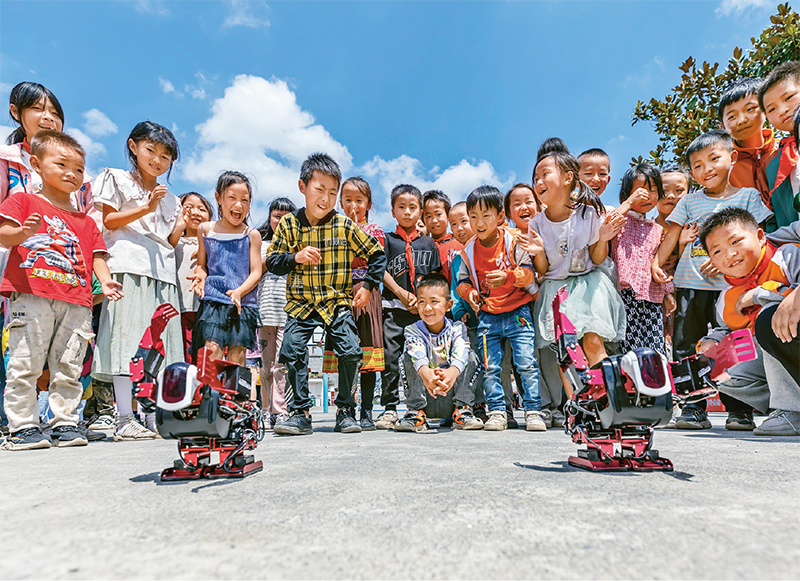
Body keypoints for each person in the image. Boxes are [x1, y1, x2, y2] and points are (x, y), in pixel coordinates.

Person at [0, 130, 123, 450]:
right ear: (36, 164)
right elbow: (4, 234)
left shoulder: (86, 221)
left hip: (77, 301)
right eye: (62, 164)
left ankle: (65, 421)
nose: (72, 173)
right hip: (32, 294)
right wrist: (21, 233)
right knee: (25, 362)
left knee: (69, 364)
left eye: (79, 168)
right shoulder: (23, 201)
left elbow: (97, 255)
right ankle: (23, 426)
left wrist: (105, 280)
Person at [653, 129, 772, 429]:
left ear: (733, 158)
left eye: (714, 159)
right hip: (691, 286)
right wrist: (656, 262)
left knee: (735, 346)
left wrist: (729, 263)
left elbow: (761, 238)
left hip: (734, 288)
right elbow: (673, 234)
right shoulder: (689, 201)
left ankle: (739, 410)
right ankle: (692, 408)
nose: (706, 169)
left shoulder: (748, 196)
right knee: (686, 348)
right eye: (697, 165)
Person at [265, 153, 386, 435]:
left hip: (336, 301)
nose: (326, 198)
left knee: (351, 351)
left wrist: (368, 286)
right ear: (302, 186)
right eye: (320, 189)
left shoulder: (344, 225)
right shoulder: (289, 224)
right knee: (292, 350)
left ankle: (345, 411)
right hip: (301, 302)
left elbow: (377, 254)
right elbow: (272, 261)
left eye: (333, 192)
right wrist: (295, 257)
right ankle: (300, 413)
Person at [92, 121, 183, 441]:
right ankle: (124, 417)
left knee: (160, 348)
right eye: (151, 150)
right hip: (128, 266)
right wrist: (146, 207)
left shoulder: (173, 199)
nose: (158, 160)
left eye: (165, 156)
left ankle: (153, 416)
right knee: (126, 343)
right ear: (133, 146)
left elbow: (169, 241)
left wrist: (181, 227)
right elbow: (108, 220)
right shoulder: (115, 178)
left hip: (163, 273)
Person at [698, 208, 800, 435]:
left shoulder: (787, 256)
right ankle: (780, 403)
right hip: (767, 355)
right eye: (717, 251)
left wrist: (758, 294)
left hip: (793, 340)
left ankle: (792, 409)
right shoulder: (726, 295)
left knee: (770, 317)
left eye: (736, 241)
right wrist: (710, 342)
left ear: (761, 236)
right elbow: (726, 328)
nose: (730, 254)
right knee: (718, 369)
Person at [530, 150, 627, 376]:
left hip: (588, 287)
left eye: (545, 174)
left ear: (568, 178)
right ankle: (576, 397)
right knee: (566, 353)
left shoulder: (588, 214)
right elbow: (542, 269)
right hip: (557, 290)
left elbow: (597, 258)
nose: (539, 182)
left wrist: (603, 238)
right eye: (536, 178)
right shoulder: (537, 224)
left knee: (593, 342)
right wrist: (538, 252)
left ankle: (608, 391)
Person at [456, 185, 543, 431]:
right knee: (490, 367)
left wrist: (508, 277)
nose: (479, 222)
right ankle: (497, 412)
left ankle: (533, 411)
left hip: (518, 313)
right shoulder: (468, 250)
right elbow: (462, 282)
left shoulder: (513, 240)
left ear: (500, 216)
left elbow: (528, 273)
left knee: (526, 363)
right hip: (487, 316)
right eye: (473, 217)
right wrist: (470, 293)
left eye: (486, 216)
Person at [321, 177, 385, 430]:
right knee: (344, 356)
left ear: (368, 203)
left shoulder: (374, 230)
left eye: (359, 200)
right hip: (339, 295)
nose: (353, 205)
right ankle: (345, 409)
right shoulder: (332, 229)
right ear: (340, 202)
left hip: (367, 293)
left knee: (368, 357)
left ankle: (367, 411)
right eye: (348, 200)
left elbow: (374, 259)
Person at [376, 184, 441, 429]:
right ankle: (390, 408)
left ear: (420, 211)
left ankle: (420, 408)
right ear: (393, 211)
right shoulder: (387, 240)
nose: (407, 212)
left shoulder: (428, 243)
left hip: (421, 315)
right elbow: (381, 271)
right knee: (390, 359)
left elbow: (435, 277)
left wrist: (422, 301)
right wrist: (402, 294)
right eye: (401, 207)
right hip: (393, 310)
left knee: (421, 359)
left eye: (413, 207)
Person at [190, 171, 262, 369]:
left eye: (245, 200)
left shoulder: (251, 234)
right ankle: (210, 390)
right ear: (218, 198)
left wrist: (239, 292)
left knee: (237, 358)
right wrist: (199, 276)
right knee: (211, 352)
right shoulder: (205, 229)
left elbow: (256, 272)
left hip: (242, 303)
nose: (239, 205)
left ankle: (235, 391)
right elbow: (202, 264)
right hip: (213, 301)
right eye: (232, 197)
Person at [397, 273, 482, 431]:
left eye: (434, 301)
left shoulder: (457, 328)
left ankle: (462, 410)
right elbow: (417, 353)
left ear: (448, 305)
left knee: (470, 356)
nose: (427, 308)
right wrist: (426, 373)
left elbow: (461, 351)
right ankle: (415, 411)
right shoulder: (412, 330)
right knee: (407, 357)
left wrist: (452, 372)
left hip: (452, 394)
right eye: (422, 301)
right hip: (425, 395)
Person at [0, 82, 94, 218]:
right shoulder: (6, 159)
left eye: (55, 113)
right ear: (15, 111)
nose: (48, 117)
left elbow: (93, 218)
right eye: (37, 108)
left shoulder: (80, 175)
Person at [610, 164, 675, 355]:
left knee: (656, 349)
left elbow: (656, 263)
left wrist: (667, 293)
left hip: (652, 296)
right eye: (640, 191)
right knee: (631, 351)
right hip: (624, 295)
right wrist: (629, 202)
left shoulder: (657, 229)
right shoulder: (620, 219)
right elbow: (604, 224)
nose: (647, 196)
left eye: (653, 190)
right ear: (627, 194)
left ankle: (660, 375)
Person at [255, 197, 296, 429]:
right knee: (266, 366)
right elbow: (254, 271)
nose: (280, 221)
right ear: (270, 217)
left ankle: (280, 410)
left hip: (288, 312)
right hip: (264, 310)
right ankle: (266, 409)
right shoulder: (261, 243)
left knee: (281, 365)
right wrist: (272, 255)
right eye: (277, 216)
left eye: (286, 217)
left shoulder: (297, 245)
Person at [719, 77, 778, 207]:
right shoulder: (725, 168)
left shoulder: (786, 149)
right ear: (723, 127)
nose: (742, 120)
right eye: (732, 117)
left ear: (765, 108)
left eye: (750, 109)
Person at [759, 60, 800, 231]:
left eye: (788, 98)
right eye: (771, 109)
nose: (782, 110)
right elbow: (771, 213)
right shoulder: (771, 164)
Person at [174, 192, 213, 363]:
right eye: (189, 207)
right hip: (181, 306)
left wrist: (207, 248)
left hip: (205, 306)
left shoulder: (213, 243)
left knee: (205, 355)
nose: (196, 212)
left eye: (202, 209)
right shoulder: (175, 241)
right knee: (183, 352)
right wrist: (179, 226)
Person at [422, 190, 462, 284]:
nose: (434, 220)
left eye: (438, 214)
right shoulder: (422, 247)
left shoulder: (460, 242)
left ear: (448, 216)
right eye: (428, 216)